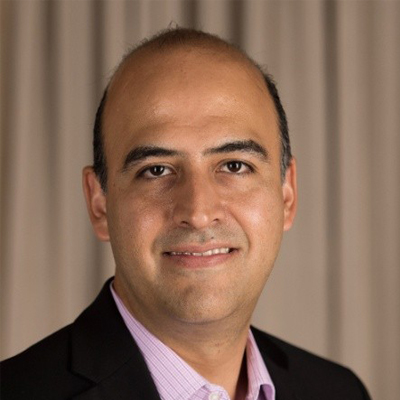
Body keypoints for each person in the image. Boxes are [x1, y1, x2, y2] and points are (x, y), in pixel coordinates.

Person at [1, 28, 371, 400]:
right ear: (99, 204)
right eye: (156, 170)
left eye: (234, 166)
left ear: (287, 194)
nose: (198, 212)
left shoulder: (339, 392)